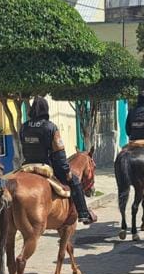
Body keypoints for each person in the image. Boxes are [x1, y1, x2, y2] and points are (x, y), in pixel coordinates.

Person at [19, 96, 97, 225]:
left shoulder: (24, 127)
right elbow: (59, 153)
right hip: (46, 166)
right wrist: (66, 171)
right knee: (75, 182)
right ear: (46, 110)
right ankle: (83, 213)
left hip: (27, 165)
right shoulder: (50, 127)